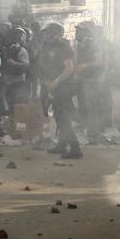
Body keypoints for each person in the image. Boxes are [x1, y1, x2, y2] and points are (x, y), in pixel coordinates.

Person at [39, 22, 82, 159]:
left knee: (63, 117)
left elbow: (69, 68)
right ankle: (62, 145)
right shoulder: (47, 46)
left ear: (55, 33)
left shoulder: (63, 47)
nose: (45, 35)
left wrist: (56, 81)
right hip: (53, 86)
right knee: (59, 116)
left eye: (48, 32)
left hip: (63, 86)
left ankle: (75, 148)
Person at [74, 22, 105, 142]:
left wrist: (85, 66)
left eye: (79, 31)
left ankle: (93, 133)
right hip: (81, 79)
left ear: (86, 32)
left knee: (91, 106)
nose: (77, 34)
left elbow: (99, 62)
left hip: (91, 80)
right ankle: (85, 130)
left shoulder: (93, 45)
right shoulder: (79, 45)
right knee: (82, 106)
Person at [3, 27, 30, 111]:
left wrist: (14, 63)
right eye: (14, 35)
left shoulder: (22, 50)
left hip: (19, 81)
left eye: (18, 36)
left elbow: (26, 66)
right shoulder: (6, 49)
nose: (15, 38)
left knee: (20, 103)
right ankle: (12, 121)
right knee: (10, 103)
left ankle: (21, 122)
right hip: (8, 81)